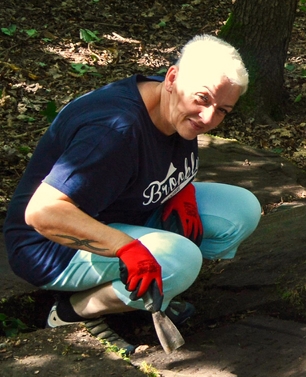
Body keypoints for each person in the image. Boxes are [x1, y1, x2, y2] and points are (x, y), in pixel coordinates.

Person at [4, 34, 262, 331]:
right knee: (182, 260)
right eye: (202, 99)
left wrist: (183, 189)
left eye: (222, 110)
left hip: (125, 212)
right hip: (48, 246)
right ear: (172, 78)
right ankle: (71, 311)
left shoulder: (170, 101)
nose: (208, 117)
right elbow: (42, 212)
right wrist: (126, 249)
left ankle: (149, 289)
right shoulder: (115, 131)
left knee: (241, 210)